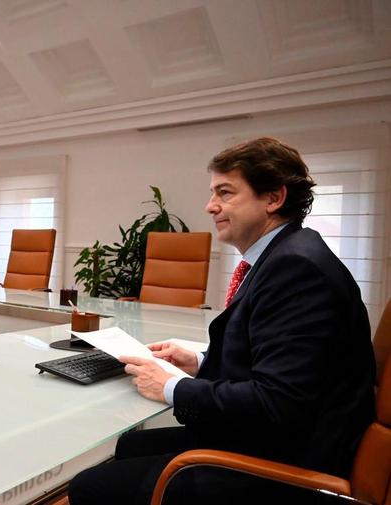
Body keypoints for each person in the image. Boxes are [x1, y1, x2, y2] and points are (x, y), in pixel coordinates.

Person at [68, 138, 377, 505]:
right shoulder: (284, 254)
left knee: (88, 487)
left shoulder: (297, 268)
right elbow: (270, 358)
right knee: (130, 443)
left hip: (290, 463)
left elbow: (277, 402)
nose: (210, 205)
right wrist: (198, 362)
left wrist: (170, 387)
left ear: (273, 198)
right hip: (275, 439)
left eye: (225, 192)